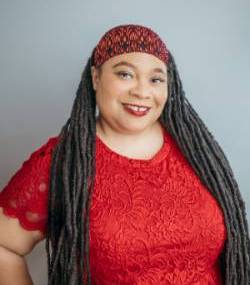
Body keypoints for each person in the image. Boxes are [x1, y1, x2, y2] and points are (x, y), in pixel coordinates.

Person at [0, 24, 249, 285]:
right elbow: (5, 246)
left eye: (156, 79)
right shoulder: (66, 162)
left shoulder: (199, 153)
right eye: (125, 74)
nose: (142, 92)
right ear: (96, 78)